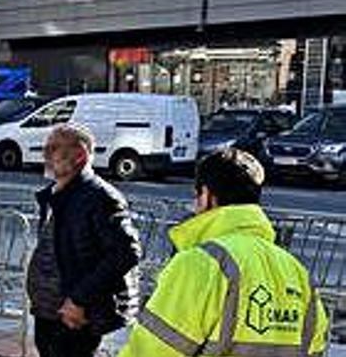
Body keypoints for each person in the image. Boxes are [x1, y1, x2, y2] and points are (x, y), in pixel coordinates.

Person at [119, 149, 329, 357]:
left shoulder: (201, 263)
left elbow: (152, 350)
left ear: (207, 195)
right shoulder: (296, 272)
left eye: (197, 196)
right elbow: (315, 347)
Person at [27, 124, 142, 357]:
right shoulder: (56, 193)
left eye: (53, 148)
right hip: (49, 312)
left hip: (73, 317)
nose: (45, 154)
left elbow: (126, 252)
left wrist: (79, 299)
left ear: (80, 155)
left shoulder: (99, 197)